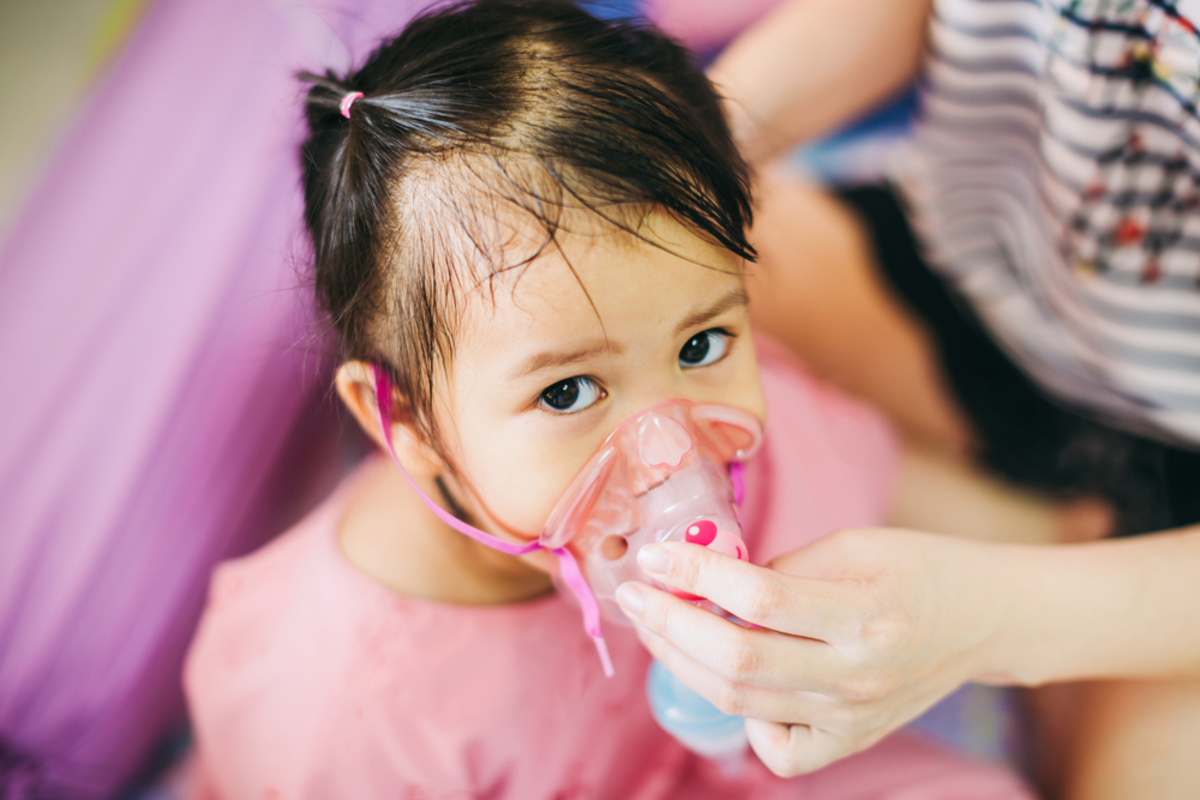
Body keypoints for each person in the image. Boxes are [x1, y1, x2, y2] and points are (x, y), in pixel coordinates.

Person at [181, 1, 1049, 797]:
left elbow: (993, 528)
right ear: (402, 424)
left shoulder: (764, 432)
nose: (670, 454)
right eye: (566, 391)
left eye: (703, 343)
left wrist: (1050, 573)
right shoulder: (349, 724)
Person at [613, 0, 1200, 797]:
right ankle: (1055, 534)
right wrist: (678, 161)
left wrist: (990, 621)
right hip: (963, 279)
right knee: (613, 293)